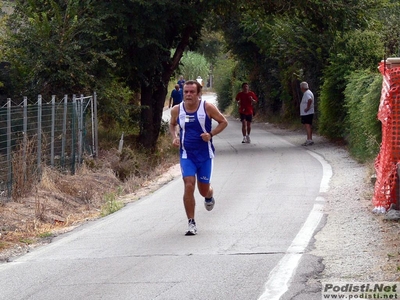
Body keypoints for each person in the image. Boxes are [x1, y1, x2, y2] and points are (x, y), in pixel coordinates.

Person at [169, 80, 228, 236]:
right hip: (186, 154)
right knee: (189, 184)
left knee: (203, 191)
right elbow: (172, 124)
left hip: (204, 155)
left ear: (198, 93)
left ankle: (209, 195)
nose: (188, 95)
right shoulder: (177, 110)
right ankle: (191, 222)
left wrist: (211, 134)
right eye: (186, 92)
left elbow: (223, 122)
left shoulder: (207, 107)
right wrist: (174, 137)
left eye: (191, 92)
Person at [299, 81, 314, 146]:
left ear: (302, 87)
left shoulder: (307, 93)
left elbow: (309, 100)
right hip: (308, 112)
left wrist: (307, 108)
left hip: (307, 113)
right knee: (308, 125)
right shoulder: (308, 92)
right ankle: (309, 139)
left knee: (307, 126)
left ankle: (309, 140)